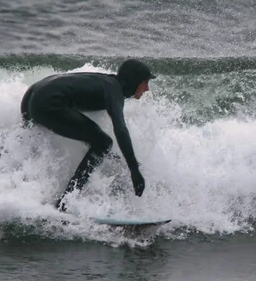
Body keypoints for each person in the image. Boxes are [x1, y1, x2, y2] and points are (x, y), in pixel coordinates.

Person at [20, 59, 156, 211]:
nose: (147, 88)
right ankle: (65, 202)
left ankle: (20, 185)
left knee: (97, 142)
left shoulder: (105, 82)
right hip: (48, 102)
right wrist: (134, 170)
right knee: (103, 143)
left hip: (31, 97)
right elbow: (120, 129)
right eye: (145, 82)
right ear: (134, 80)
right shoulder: (114, 89)